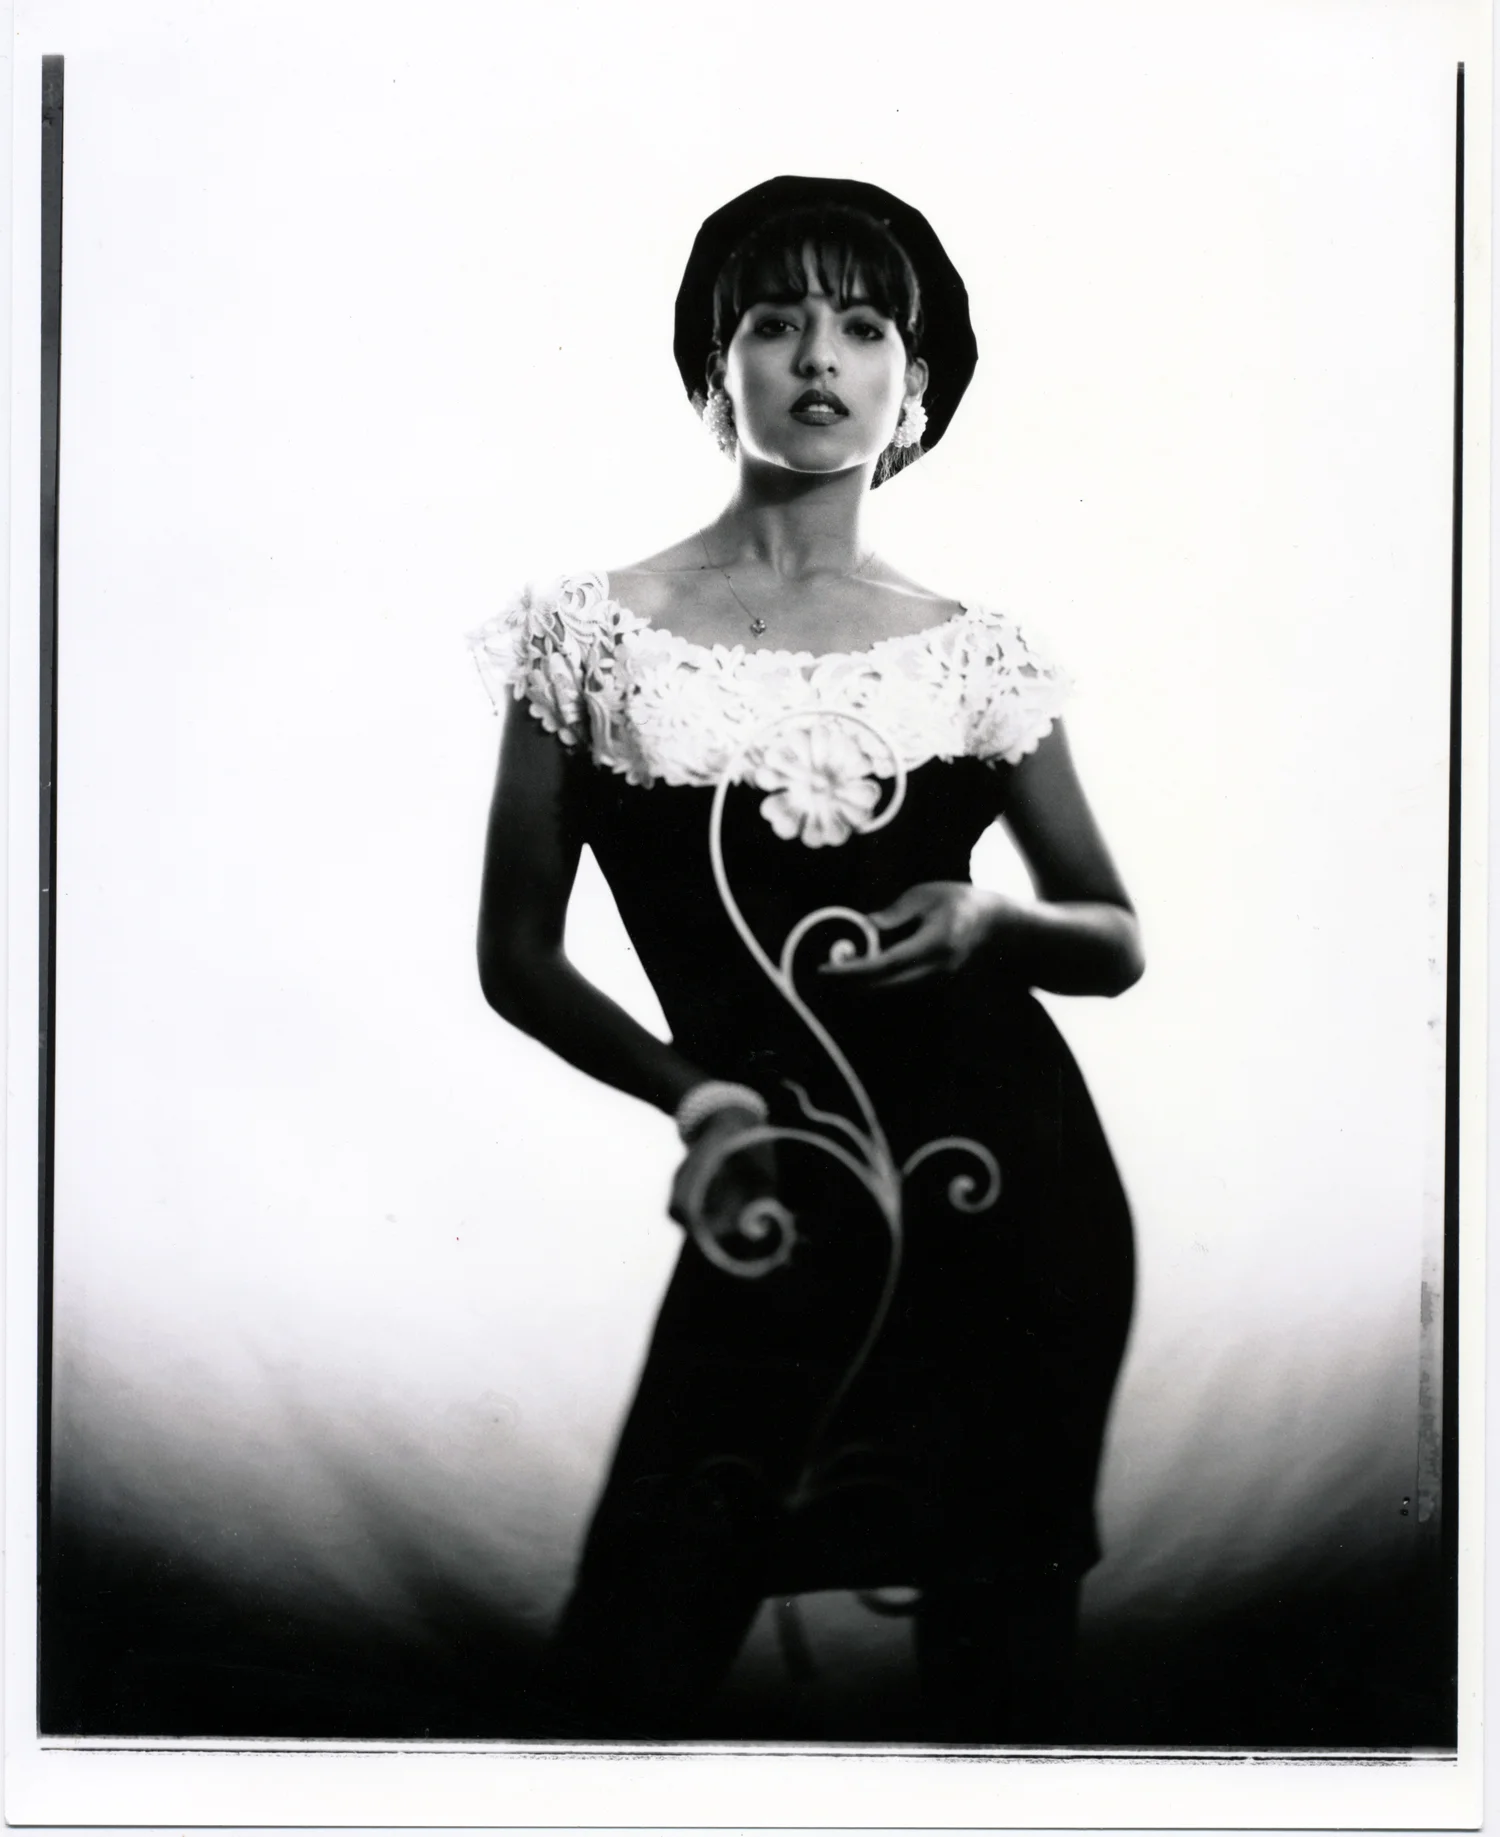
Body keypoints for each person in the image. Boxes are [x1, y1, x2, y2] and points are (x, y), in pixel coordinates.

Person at [468, 175, 1142, 1743]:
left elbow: (1111, 939)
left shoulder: (979, 652)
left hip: (1012, 1195)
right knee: (640, 1631)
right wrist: (695, 1099)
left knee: (1000, 1646)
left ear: (915, 391)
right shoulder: (586, 637)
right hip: (779, 1197)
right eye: (774, 322)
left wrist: (990, 922)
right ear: (719, 369)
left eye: (862, 326)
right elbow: (517, 955)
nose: (817, 357)